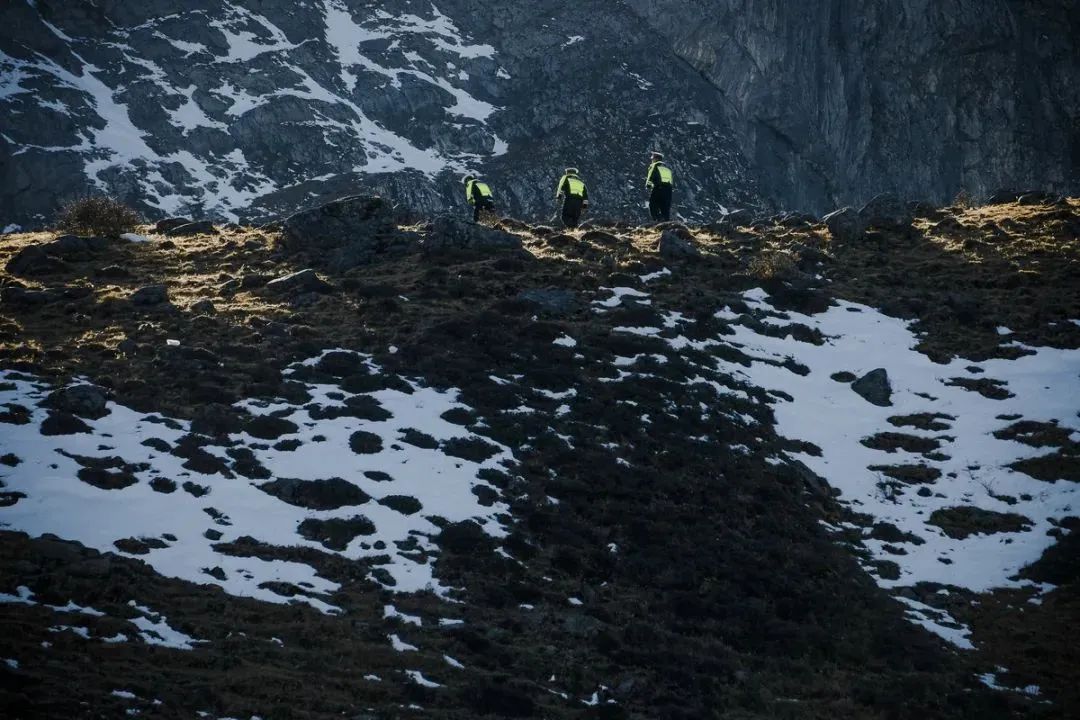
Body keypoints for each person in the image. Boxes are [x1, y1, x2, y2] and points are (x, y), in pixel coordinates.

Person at [645, 151, 674, 221]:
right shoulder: (667, 168)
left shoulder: (654, 166)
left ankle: (657, 220)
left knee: (653, 205)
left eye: (652, 158)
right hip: (668, 190)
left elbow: (650, 178)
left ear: (656, 159)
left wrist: (648, 186)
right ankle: (666, 223)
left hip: (658, 188)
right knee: (665, 208)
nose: (652, 160)